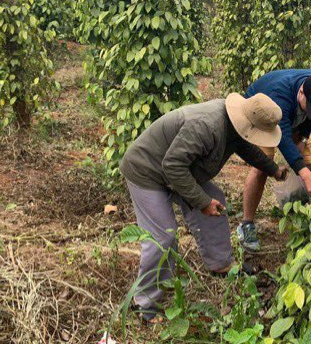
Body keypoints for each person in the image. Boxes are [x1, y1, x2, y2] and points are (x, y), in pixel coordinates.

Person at [120, 93, 288, 322]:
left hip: (180, 170)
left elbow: (245, 149)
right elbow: (172, 166)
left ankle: (220, 264)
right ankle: (145, 305)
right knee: (162, 237)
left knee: (216, 199)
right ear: (248, 124)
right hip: (147, 170)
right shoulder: (206, 126)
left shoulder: (233, 124)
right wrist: (202, 202)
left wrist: (273, 169)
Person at [237, 69, 311, 252]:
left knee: (305, 162)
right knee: (263, 165)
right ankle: (246, 224)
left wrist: (303, 139)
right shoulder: (280, 95)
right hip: (262, 115)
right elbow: (281, 137)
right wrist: (304, 174)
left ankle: (310, 214)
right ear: (301, 92)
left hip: (291, 115)